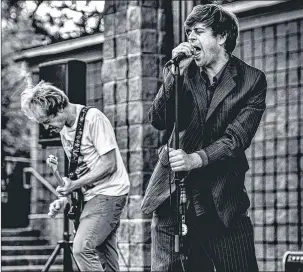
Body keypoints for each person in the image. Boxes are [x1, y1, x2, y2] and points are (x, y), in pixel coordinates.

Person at [141, 4, 267, 272]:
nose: (191, 39)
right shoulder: (183, 72)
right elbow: (159, 120)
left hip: (221, 196)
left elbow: (236, 138)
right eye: (188, 33)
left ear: (221, 36)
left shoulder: (252, 81)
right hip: (174, 193)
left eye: (198, 32)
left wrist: (195, 159)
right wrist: (174, 76)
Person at [21, 81, 130, 271]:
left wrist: (75, 184)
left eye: (47, 122)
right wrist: (65, 198)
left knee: (81, 248)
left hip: (108, 193)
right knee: (105, 256)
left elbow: (109, 164)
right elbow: (81, 170)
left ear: (59, 108)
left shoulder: (93, 119)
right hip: (89, 197)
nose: (47, 129)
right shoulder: (65, 130)